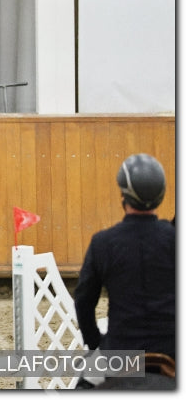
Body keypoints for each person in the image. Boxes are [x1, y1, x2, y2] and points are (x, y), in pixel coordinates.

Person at [73, 153, 175, 387]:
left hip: (119, 353)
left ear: (123, 195)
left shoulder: (103, 243)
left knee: (83, 386)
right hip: (173, 351)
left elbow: (84, 302)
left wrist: (95, 343)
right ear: (160, 195)